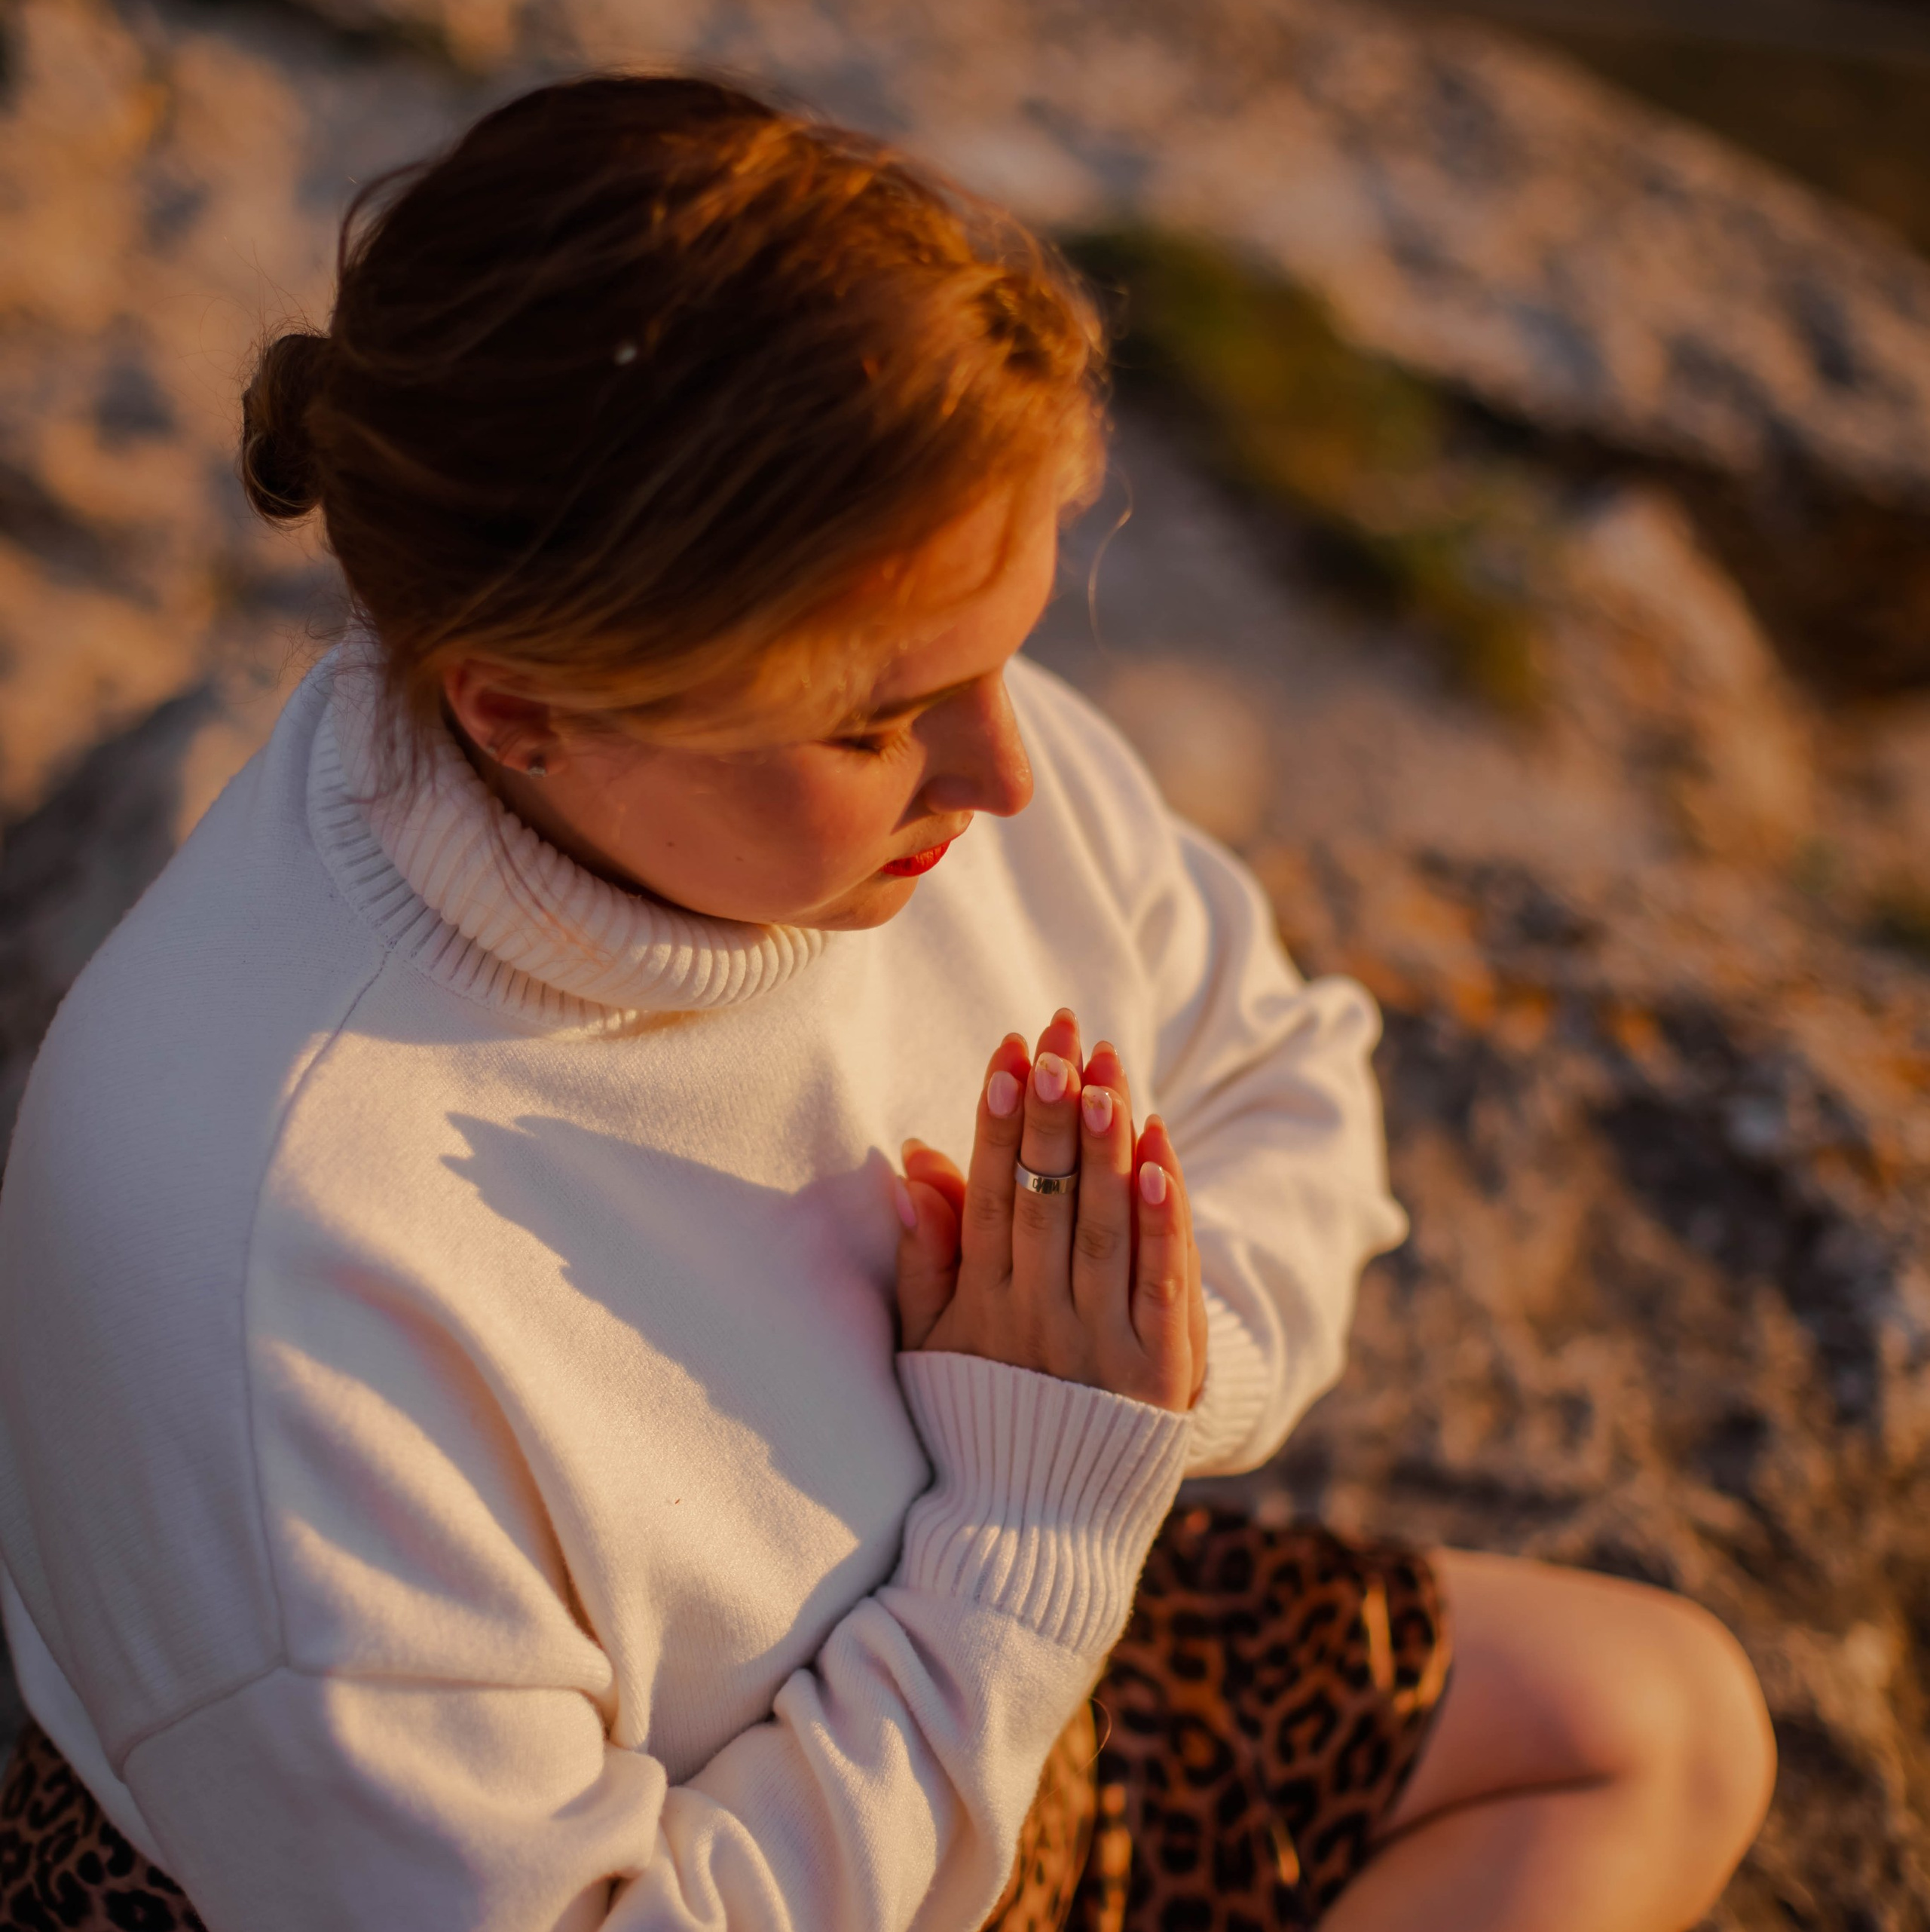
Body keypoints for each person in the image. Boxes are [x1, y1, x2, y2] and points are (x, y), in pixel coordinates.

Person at [0, 74, 1773, 1932]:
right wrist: (1027, 1522)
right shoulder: (275, 1253)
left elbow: (1273, 1061)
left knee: (1664, 1726)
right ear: (518, 707)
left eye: (1006, 647)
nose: (1008, 774)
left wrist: (1130, 1370)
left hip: (977, 1665)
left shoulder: (887, 744)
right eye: (874, 719)